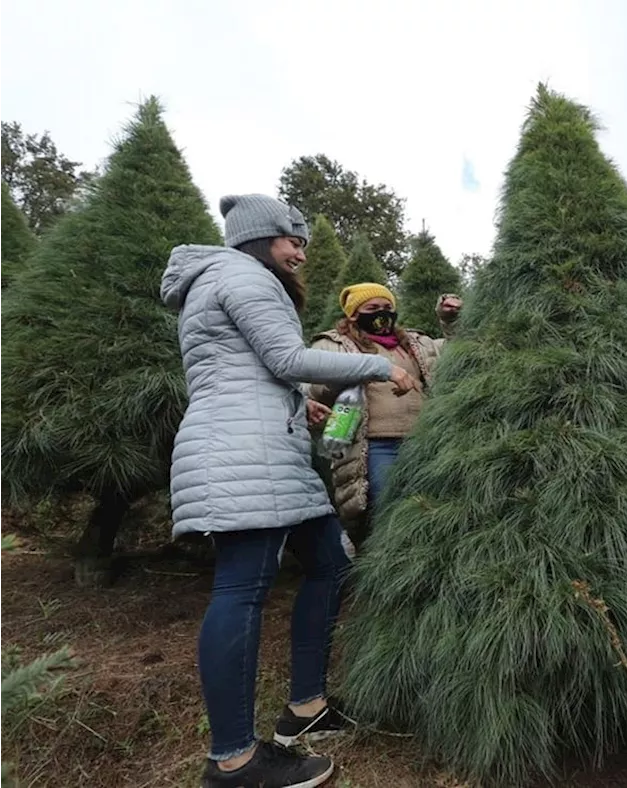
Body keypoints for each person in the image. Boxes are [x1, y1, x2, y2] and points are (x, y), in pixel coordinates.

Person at [161, 194, 418, 788]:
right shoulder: (243, 275)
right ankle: (233, 760)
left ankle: (305, 706)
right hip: (243, 453)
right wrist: (379, 368)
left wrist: (296, 402)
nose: (300, 251)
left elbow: (239, 368)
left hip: (264, 446)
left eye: (301, 240)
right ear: (258, 239)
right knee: (242, 589)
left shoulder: (223, 279)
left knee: (330, 563)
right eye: (290, 239)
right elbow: (283, 355)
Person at [308, 285, 461, 547]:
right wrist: (362, 370)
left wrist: (450, 320)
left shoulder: (416, 343)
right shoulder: (332, 344)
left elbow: (459, 351)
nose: (382, 314)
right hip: (375, 446)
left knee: (426, 509)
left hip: (422, 441)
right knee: (386, 510)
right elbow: (314, 386)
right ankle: (384, 569)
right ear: (354, 314)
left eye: (388, 308)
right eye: (372, 309)